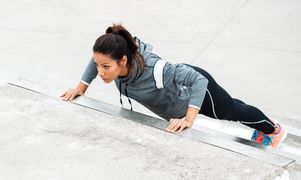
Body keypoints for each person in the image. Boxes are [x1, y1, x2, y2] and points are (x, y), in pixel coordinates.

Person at [61, 24, 287, 148]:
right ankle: (266, 125)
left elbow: (199, 81)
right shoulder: (115, 59)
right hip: (178, 98)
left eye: (105, 67)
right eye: (99, 66)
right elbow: (96, 59)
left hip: (194, 90)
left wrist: (189, 119)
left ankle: (274, 130)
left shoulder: (156, 70)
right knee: (234, 106)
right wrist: (81, 87)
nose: (100, 72)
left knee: (231, 111)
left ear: (123, 61)